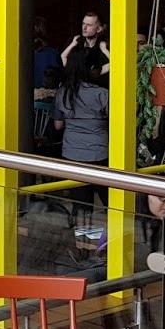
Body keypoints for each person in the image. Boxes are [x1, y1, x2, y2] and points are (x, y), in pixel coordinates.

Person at [54, 48, 111, 217]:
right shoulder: (102, 94)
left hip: (71, 153)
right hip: (100, 153)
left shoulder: (63, 93)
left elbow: (58, 125)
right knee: (111, 203)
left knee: (81, 205)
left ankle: (82, 233)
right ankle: (114, 233)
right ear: (92, 68)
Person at [61, 11, 112, 76]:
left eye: (89, 25)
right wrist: (72, 45)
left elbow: (116, 65)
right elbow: (62, 62)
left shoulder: (103, 47)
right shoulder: (75, 43)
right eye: (83, 24)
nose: (84, 28)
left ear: (99, 29)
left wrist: (104, 50)